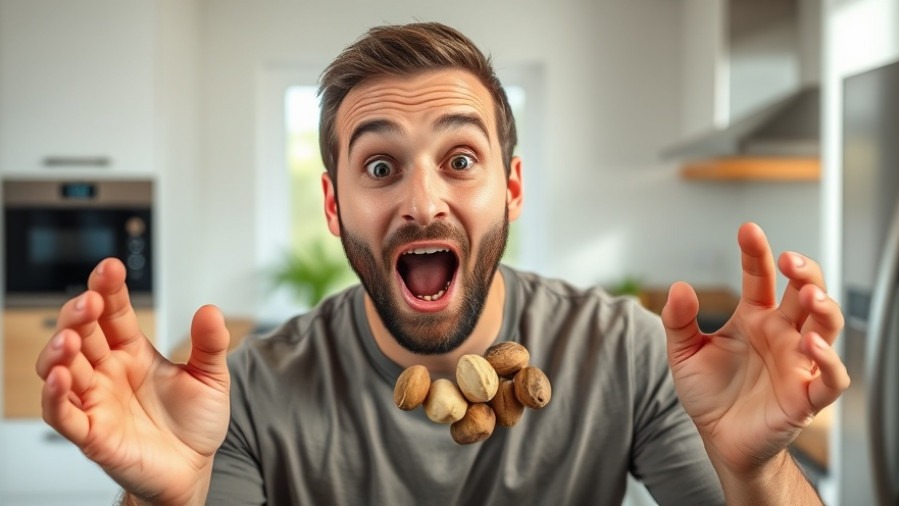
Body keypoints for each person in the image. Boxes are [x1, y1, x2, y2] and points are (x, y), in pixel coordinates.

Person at [35, 22, 848, 505]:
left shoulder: (627, 356)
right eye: (380, 168)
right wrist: (169, 500)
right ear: (332, 207)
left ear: (512, 188)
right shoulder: (242, 399)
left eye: (460, 159)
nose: (422, 202)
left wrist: (759, 472)